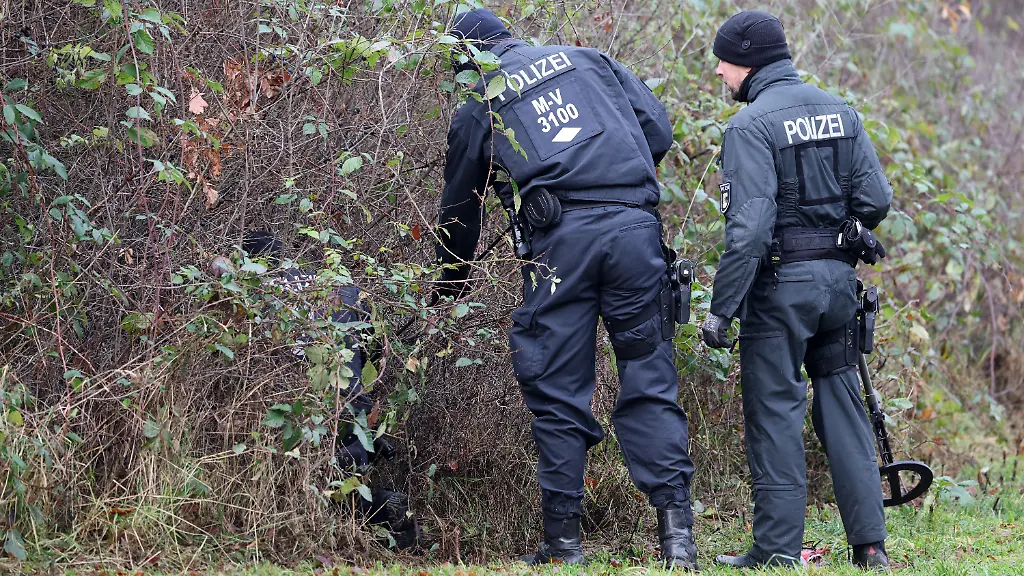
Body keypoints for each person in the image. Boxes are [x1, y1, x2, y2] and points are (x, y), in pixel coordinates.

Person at [435, 9, 698, 568]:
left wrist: (447, 286)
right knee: (650, 377)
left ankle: (564, 546)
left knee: (557, 388)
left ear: (464, 58)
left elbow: (460, 211)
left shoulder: (479, 100)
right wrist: (614, 183)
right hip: (635, 232)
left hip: (562, 246)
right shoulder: (590, 60)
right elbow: (658, 129)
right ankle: (678, 540)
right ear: (510, 36)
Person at [698, 11, 893, 570]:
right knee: (842, 404)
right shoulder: (839, 109)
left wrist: (722, 310)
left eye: (723, 62)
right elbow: (876, 202)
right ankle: (870, 545)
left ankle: (778, 550)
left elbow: (749, 231)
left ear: (747, 61)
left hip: (781, 291)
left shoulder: (750, 125)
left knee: (775, 412)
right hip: (838, 287)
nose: (717, 72)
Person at [235, 232, 421, 550]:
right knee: (348, 473)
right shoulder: (337, 286)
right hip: (351, 397)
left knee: (333, 484)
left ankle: (379, 520)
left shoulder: (260, 294)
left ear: (250, 262)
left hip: (310, 405)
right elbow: (377, 355)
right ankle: (391, 526)